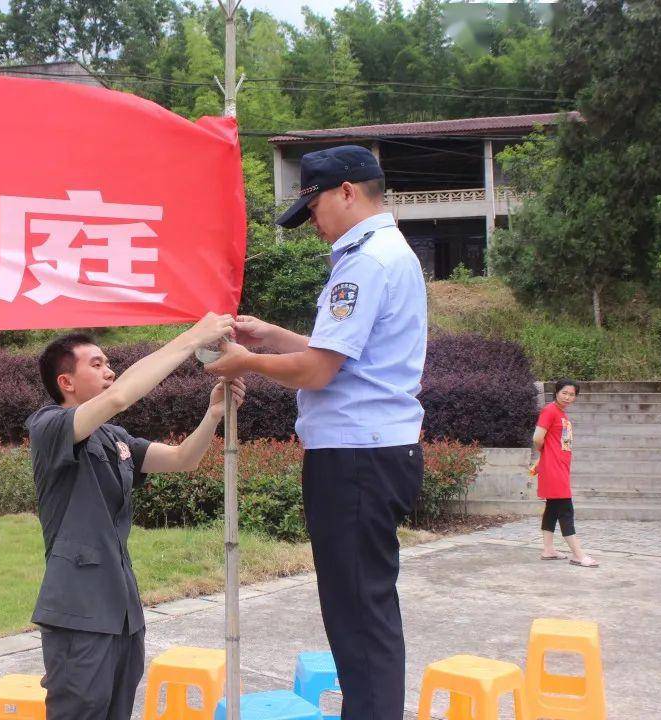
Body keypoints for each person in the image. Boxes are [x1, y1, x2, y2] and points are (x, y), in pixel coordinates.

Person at [203, 145, 425, 720]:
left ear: (347, 191)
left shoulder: (365, 261)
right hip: (370, 453)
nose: (314, 225)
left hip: (356, 458)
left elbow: (320, 370)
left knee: (358, 615)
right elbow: (340, 355)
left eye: (315, 208)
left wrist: (241, 362)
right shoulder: (382, 252)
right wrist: (272, 335)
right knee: (362, 610)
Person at [26, 314, 244, 720]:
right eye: (96, 364)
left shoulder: (114, 438)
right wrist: (191, 338)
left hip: (123, 610)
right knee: (80, 711)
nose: (109, 371)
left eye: (109, 363)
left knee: (117, 711)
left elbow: (183, 459)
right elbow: (119, 398)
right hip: (79, 610)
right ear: (66, 383)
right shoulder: (49, 427)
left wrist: (213, 414)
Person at [530, 379, 597, 568]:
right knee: (566, 509)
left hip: (559, 466)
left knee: (552, 508)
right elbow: (537, 438)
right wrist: (546, 456)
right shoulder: (550, 411)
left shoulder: (562, 414)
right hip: (553, 468)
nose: (568, 397)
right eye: (564, 393)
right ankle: (578, 554)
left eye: (572, 394)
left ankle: (548, 550)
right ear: (556, 392)